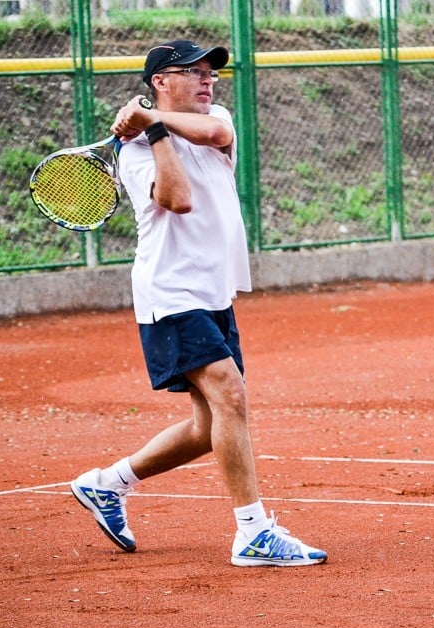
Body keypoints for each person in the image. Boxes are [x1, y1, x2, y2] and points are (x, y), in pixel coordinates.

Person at [69, 40, 327, 567]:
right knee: (231, 396)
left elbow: (217, 133)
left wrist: (151, 118)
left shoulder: (214, 118)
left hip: (213, 292)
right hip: (171, 291)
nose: (209, 81)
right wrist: (153, 131)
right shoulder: (134, 151)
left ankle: (106, 485)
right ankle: (253, 532)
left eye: (212, 73)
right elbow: (177, 198)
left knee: (209, 426)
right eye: (195, 72)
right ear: (161, 80)